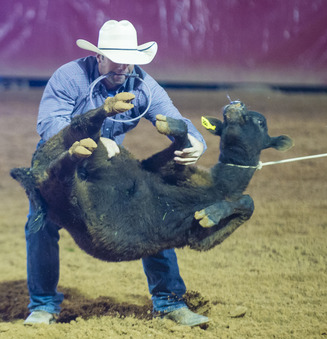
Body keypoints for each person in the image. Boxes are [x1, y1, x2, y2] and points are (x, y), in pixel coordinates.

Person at [23, 19, 210, 327]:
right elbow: (49, 126)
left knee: (152, 212)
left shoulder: (142, 84)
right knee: (41, 223)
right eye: (116, 57)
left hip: (106, 168)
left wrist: (195, 142)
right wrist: (95, 140)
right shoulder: (70, 77)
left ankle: (168, 301)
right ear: (99, 57)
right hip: (62, 163)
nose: (124, 65)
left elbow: (174, 118)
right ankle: (43, 305)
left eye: (130, 59)